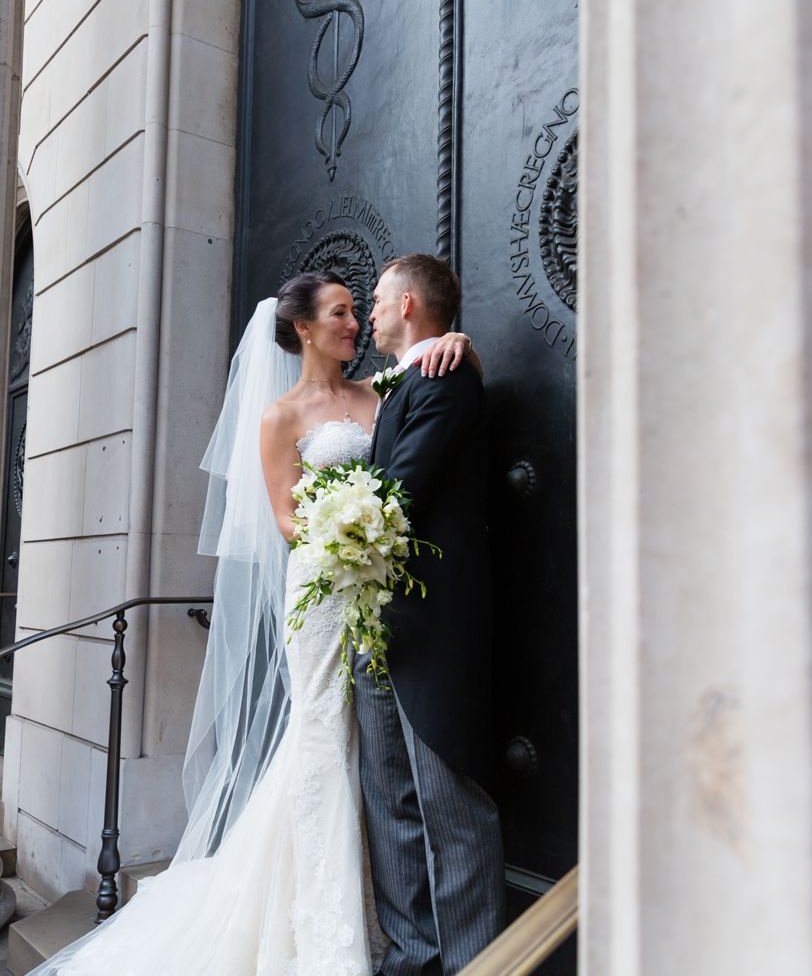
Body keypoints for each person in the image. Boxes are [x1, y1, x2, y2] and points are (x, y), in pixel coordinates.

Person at [29, 270, 477, 975]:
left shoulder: (379, 393)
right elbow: (287, 520)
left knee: (380, 754)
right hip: (325, 588)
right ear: (303, 327)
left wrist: (458, 340)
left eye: (360, 310)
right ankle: (335, 933)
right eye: (340, 311)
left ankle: (400, 928)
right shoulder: (279, 417)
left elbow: (427, 379)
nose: (355, 321)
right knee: (327, 740)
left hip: (388, 594)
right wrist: (344, 531)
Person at [357, 254, 505, 975]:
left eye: (379, 300)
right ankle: (411, 960)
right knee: (391, 806)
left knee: (450, 809)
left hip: (434, 631)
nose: (370, 312)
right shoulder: (398, 383)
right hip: (378, 627)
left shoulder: (445, 380)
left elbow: (399, 491)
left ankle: (475, 963)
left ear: (411, 304)